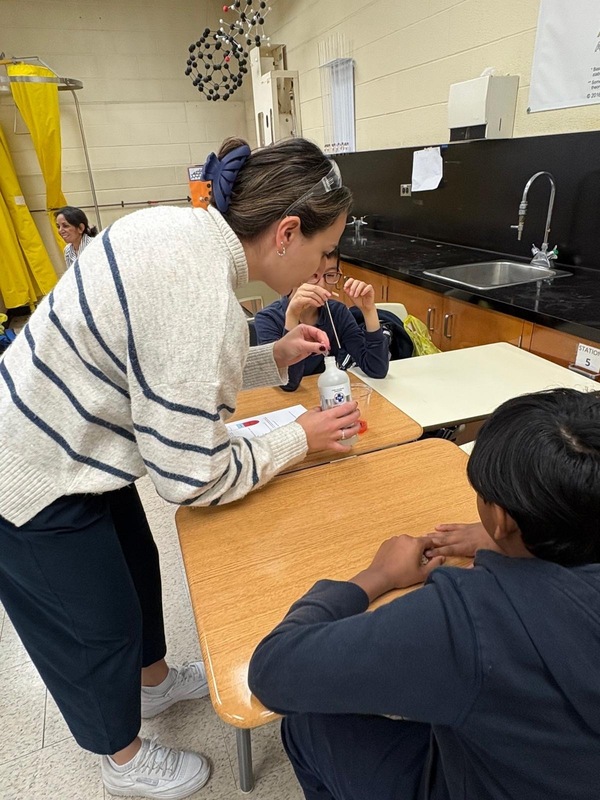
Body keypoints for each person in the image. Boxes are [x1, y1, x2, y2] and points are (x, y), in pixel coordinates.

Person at [0, 136, 359, 800]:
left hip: (81, 441)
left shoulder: (179, 230)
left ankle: (155, 681)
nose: (326, 265)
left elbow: (172, 376)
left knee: (136, 566)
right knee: (93, 624)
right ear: (286, 233)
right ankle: (122, 758)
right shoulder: (205, 296)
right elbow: (192, 476)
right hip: (33, 467)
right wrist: (300, 439)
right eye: (325, 250)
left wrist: (273, 356)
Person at [248, 388, 600, 800]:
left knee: (307, 724)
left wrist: (377, 575)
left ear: (501, 518)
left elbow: (272, 672)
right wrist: (513, 541)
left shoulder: (471, 622)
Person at [254, 267, 389, 391]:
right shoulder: (267, 319)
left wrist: (369, 311)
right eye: (314, 275)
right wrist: (293, 315)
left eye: (330, 275)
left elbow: (376, 369)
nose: (322, 285)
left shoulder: (337, 312)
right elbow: (289, 385)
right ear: (293, 275)